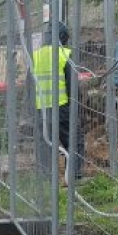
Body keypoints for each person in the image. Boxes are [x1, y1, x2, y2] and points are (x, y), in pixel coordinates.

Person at [34, 21, 84, 180]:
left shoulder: (35, 56)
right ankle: (74, 176)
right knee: (74, 141)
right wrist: (76, 108)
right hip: (61, 107)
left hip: (40, 109)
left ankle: (46, 177)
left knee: (45, 143)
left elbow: (29, 87)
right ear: (62, 38)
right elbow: (72, 87)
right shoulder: (64, 55)